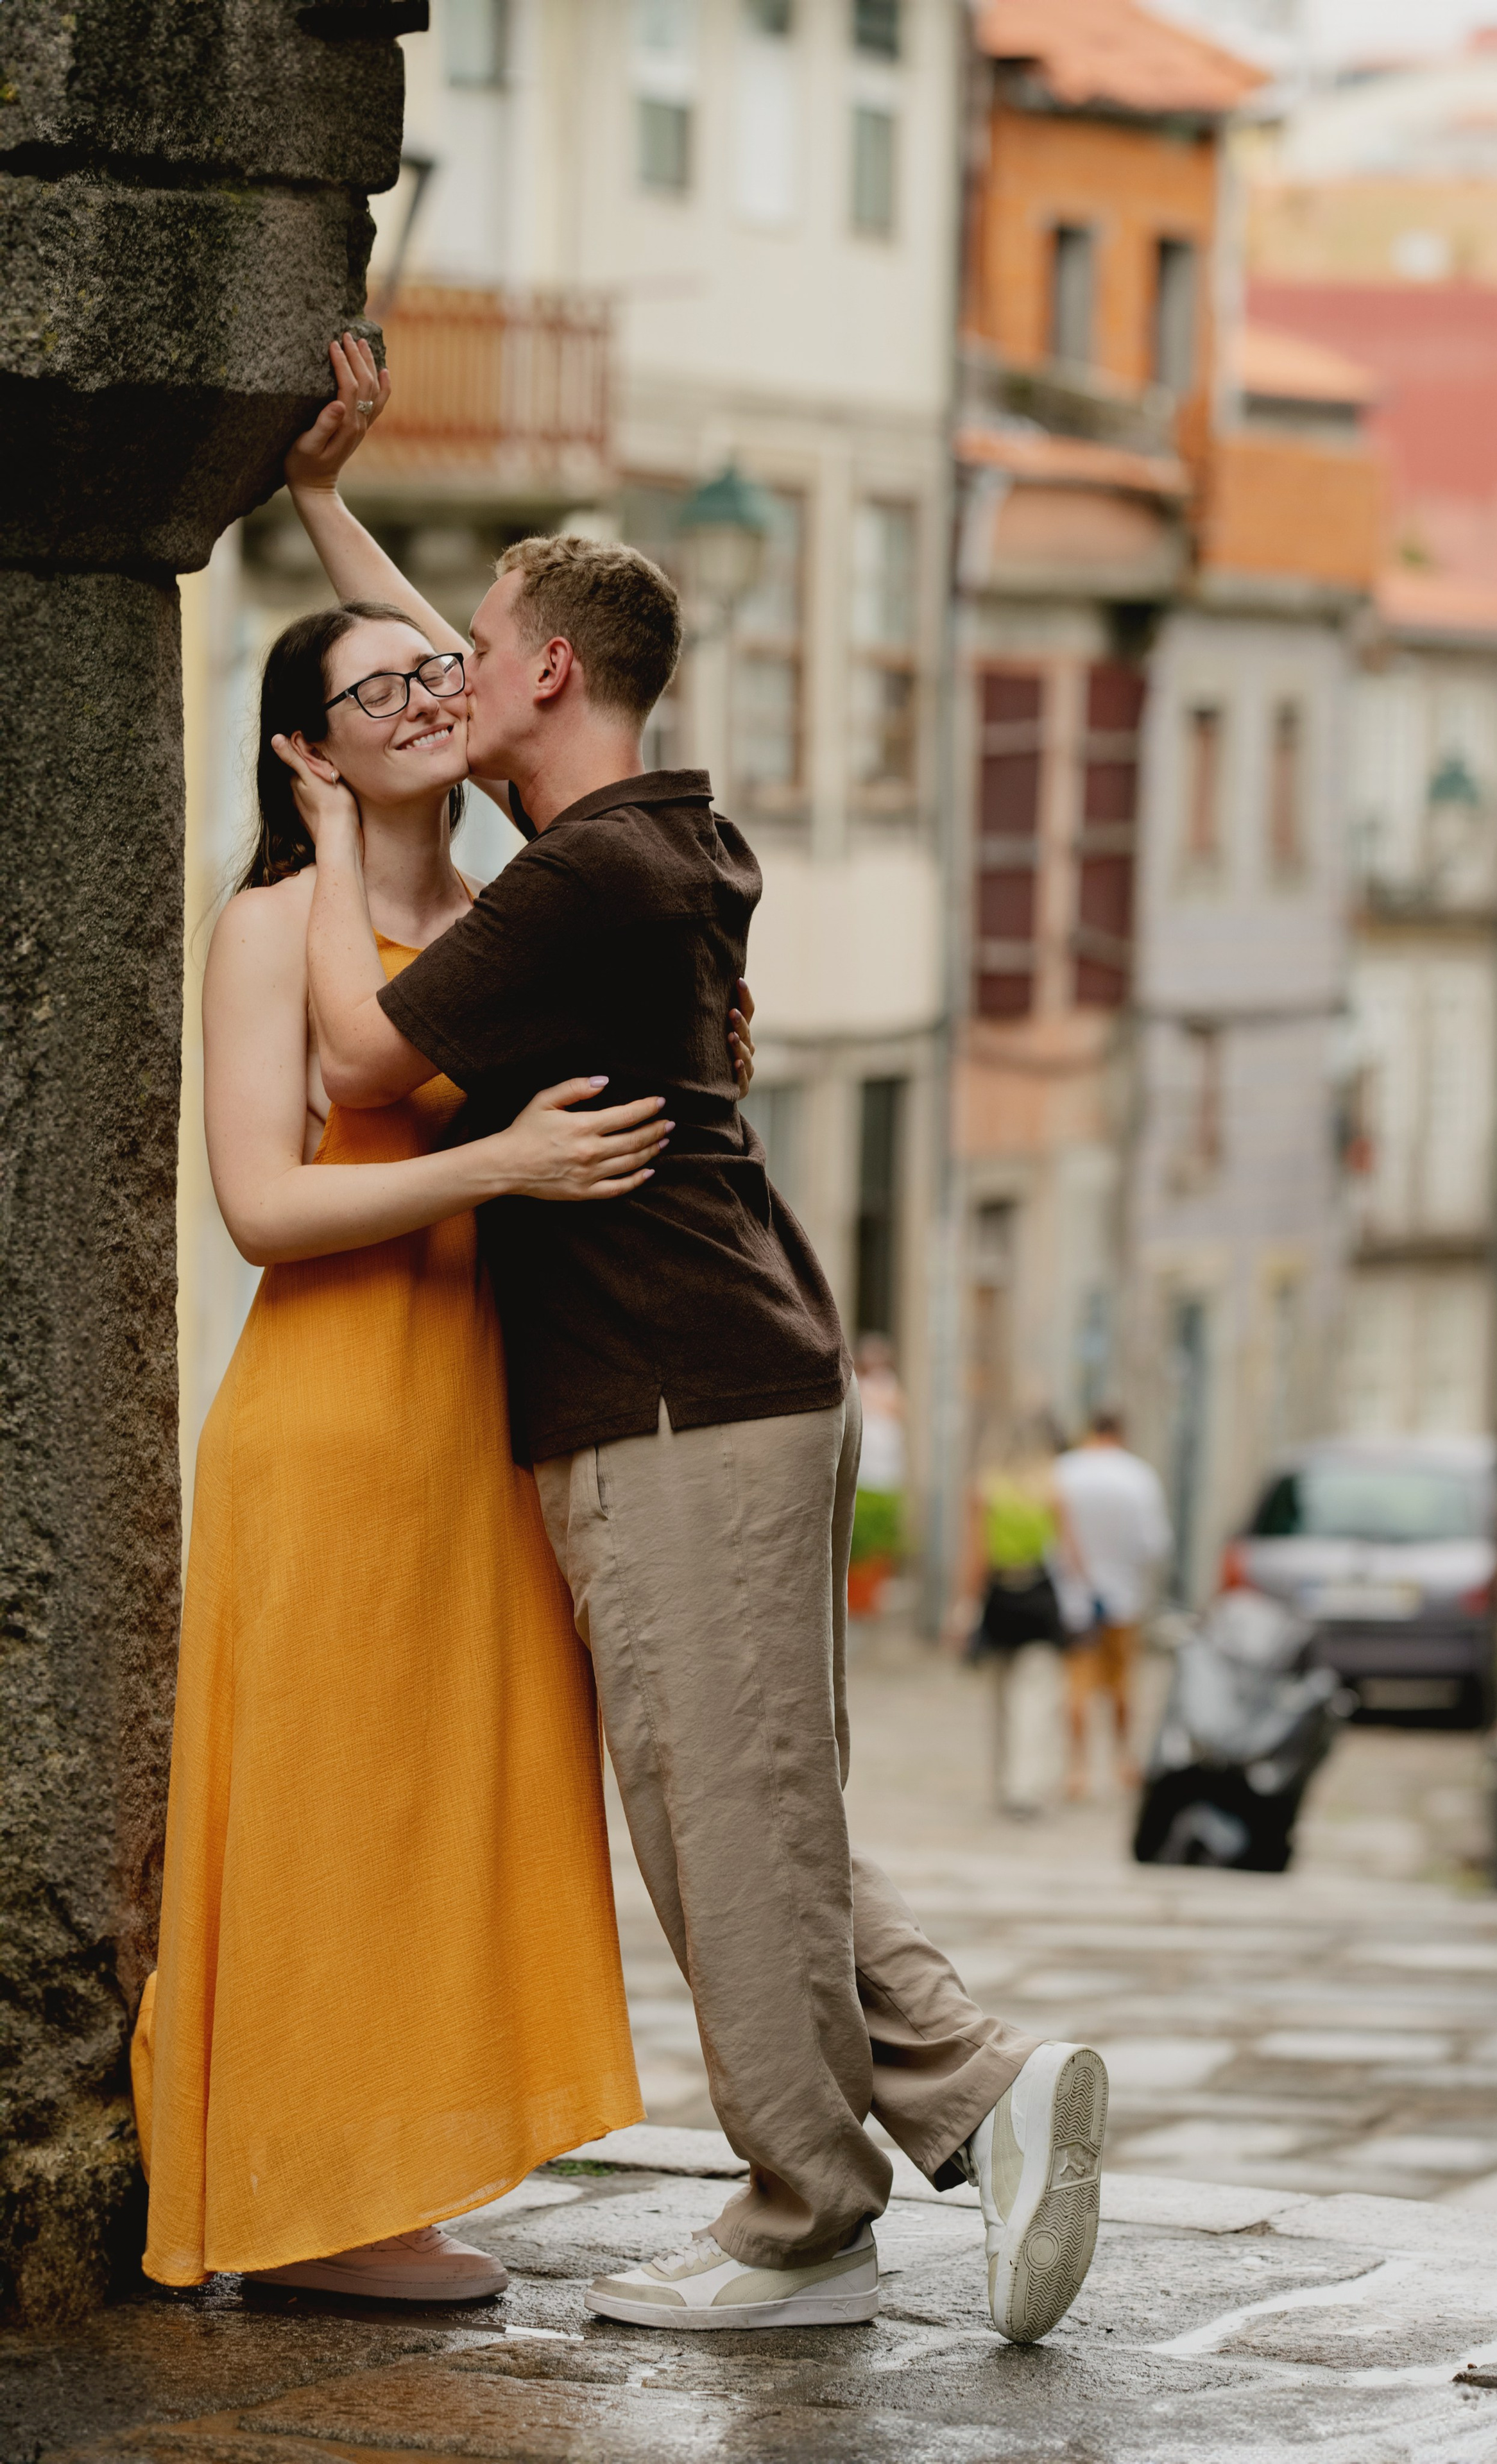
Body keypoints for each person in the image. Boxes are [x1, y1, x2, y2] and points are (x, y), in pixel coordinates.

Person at [271, 334, 1109, 2345]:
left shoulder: (588, 876)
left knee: (709, 1805)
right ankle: (978, 2094)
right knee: (753, 1790)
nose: (435, 670)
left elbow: (367, 1047)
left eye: (474, 644)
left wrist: (312, 818)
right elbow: (435, 679)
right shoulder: (652, 831)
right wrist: (320, 504)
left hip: (675, 1389)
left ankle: (805, 2220)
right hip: (716, 1372)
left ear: (548, 672)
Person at [134, 555, 757, 2295]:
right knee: (330, 1806)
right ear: (303, 756)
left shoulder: (507, 908)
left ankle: (389, 2177)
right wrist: (500, 1166)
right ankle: (294, 2206)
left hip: (480, 1413)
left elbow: (519, 676)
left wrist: (329, 495)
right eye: (379, 692)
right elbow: (259, 1206)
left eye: (440, 674)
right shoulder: (266, 927)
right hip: (334, 1419)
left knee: (439, 1807)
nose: (425, 694)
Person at [1054, 1411, 1172, 1795]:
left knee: (1077, 1684)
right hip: (1123, 1596)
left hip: (1074, 1597)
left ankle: (1077, 1769)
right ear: (1120, 1433)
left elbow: (1051, 1536)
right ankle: (1124, 1761)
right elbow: (1154, 1544)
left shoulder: (1064, 1471)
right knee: (1121, 1683)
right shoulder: (1138, 1477)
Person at [959, 1416, 1068, 1819]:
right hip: (1039, 1596)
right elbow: (1067, 1554)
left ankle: (1008, 1783)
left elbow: (976, 1557)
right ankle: (1028, 1785)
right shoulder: (1051, 1490)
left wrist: (964, 1609)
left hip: (1000, 1599)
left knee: (1002, 1697)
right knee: (1036, 1697)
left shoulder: (985, 1491)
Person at [848, 1333, 906, 1616]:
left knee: (881, 1536)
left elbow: (896, 1409)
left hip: (885, 1473)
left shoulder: (889, 1385)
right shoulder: (856, 1384)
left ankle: (873, 1593)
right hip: (865, 1473)